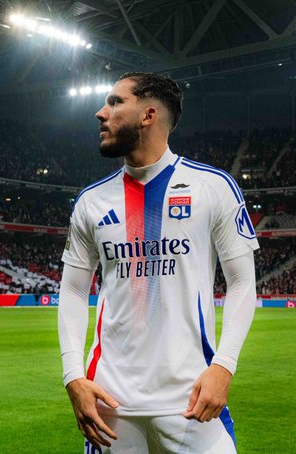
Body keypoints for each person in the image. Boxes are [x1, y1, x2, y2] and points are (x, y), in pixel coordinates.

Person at [58, 72, 259, 453]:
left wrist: (224, 366)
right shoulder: (91, 201)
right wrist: (73, 376)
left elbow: (242, 282)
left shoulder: (212, 187)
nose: (101, 112)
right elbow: (72, 289)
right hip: (110, 404)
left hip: (192, 399)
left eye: (116, 102)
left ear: (149, 115)